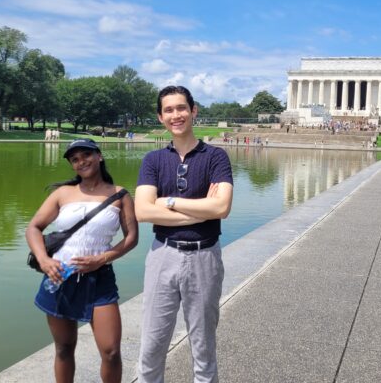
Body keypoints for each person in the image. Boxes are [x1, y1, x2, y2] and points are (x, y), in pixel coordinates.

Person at [135, 86, 234, 383]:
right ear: (160, 117)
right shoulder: (153, 160)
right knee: (151, 347)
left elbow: (222, 207)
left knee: (203, 348)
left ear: (193, 110)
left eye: (181, 108)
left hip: (205, 256)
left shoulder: (216, 157)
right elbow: (142, 211)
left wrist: (169, 201)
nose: (175, 115)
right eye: (168, 110)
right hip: (162, 255)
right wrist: (202, 209)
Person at [26, 138, 138, 383]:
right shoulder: (63, 194)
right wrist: (44, 260)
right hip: (60, 277)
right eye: (74, 159)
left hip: (100, 280)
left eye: (86, 155)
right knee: (64, 348)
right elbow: (34, 227)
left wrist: (103, 258)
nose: (81, 162)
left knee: (111, 351)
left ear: (99, 156)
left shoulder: (120, 195)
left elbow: (131, 238)